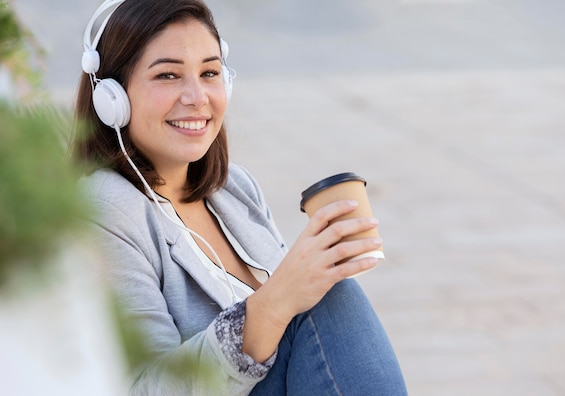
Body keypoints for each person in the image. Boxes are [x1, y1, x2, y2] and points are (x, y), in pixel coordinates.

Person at [72, 0, 408, 394]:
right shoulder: (103, 209)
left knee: (330, 291)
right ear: (111, 98)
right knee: (327, 303)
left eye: (210, 72)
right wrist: (276, 302)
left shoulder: (234, 188)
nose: (197, 96)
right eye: (167, 75)